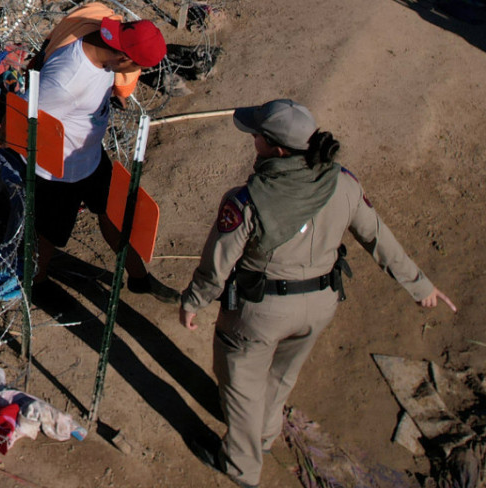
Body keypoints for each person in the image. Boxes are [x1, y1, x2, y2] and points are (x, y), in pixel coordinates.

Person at [179, 99, 457, 488]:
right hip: (321, 303)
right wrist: (420, 285)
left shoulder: (245, 201)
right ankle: (265, 435)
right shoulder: (343, 182)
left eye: (257, 134)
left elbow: (216, 266)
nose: (252, 138)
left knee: (241, 383)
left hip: (259, 311)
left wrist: (193, 301)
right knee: (282, 375)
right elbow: (377, 236)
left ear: (276, 149)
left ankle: (241, 466)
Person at [31, 14, 178, 302]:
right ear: (124, 59)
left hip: (91, 156)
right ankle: (36, 285)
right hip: (59, 172)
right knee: (47, 236)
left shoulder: (103, 42)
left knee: (115, 216)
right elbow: (29, 120)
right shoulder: (66, 81)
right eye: (136, 67)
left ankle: (139, 278)